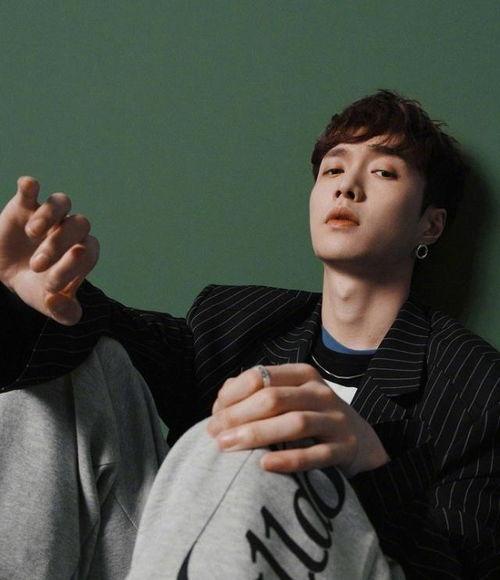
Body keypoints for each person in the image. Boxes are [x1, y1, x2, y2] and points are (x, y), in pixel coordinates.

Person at [0, 90, 498, 578]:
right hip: (161, 558)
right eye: (333, 170)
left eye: (383, 172)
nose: (347, 187)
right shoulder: (235, 320)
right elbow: (108, 331)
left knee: (274, 432)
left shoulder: (477, 386)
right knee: (74, 373)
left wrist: (371, 467)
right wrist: (21, 294)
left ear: (430, 226)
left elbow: (464, 565)